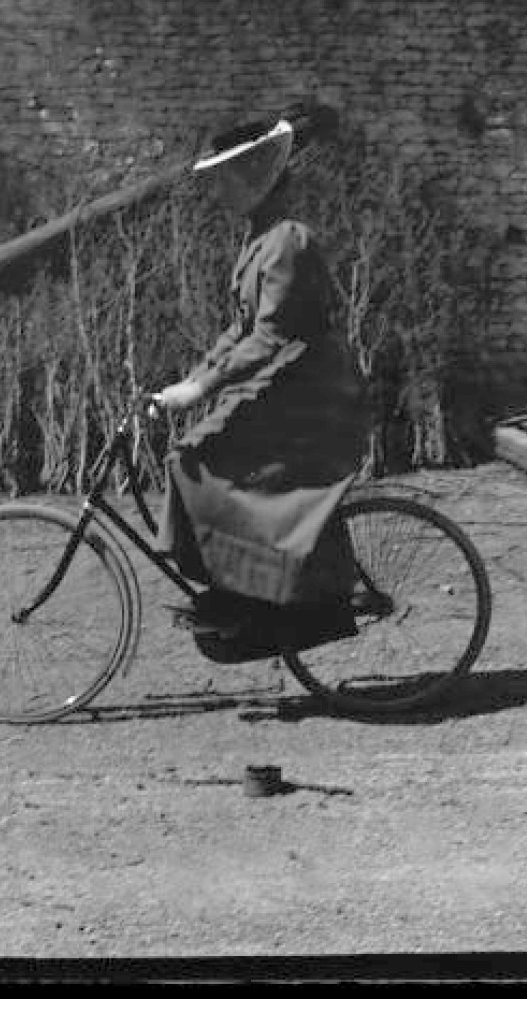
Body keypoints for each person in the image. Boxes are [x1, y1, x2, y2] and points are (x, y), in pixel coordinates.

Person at [153, 116, 375, 654]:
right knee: (195, 455)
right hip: (281, 383)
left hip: (310, 395)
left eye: (226, 178)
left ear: (255, 175)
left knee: (199, 457)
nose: (218, 190)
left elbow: (271, 336)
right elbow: (241, 328)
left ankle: (255, 593)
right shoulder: (261, 240)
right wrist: (195, 377)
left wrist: (200, 389)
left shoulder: (287, 242)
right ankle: (242, 588)